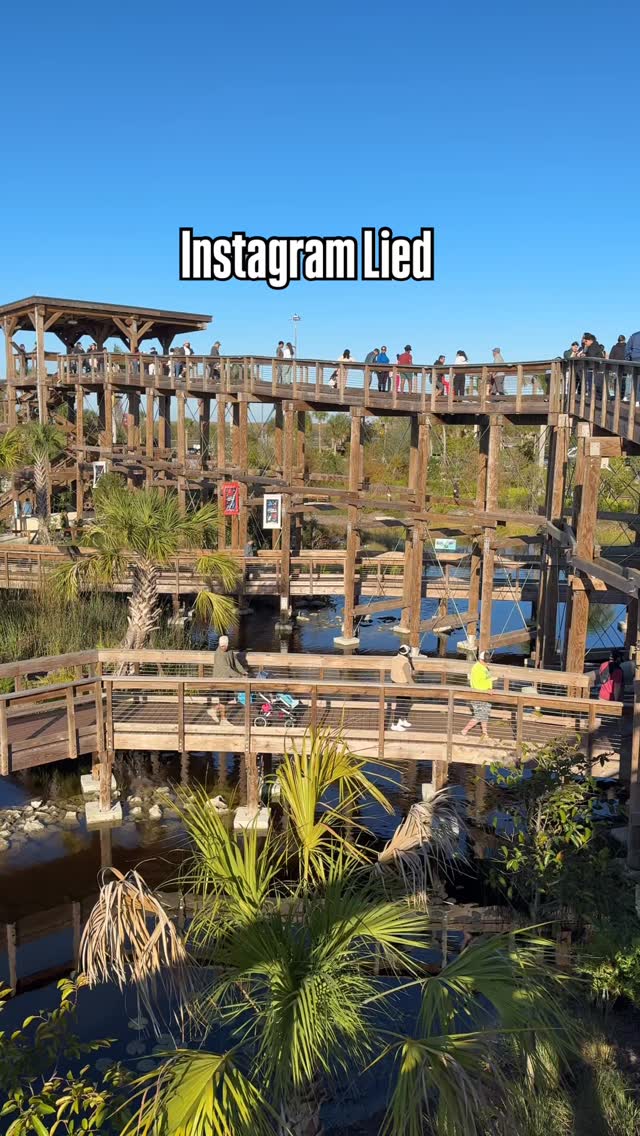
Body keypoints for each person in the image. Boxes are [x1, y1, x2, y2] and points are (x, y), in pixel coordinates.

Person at [461, 651, 493, 739]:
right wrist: (486, 691)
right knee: (479, 715)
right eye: (485, 660)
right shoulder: (476, 668)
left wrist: (490, 689)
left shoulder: (486, 667)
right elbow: (476, 684)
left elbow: (489, 679)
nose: (487, 662)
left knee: (485, 714)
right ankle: (465, 730)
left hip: (486, 695)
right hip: (478, 695)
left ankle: (485, 733)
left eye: (488, 660)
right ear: (480, 659)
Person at [390, 643, 414, 731]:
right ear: (408, 653)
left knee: (402, 703)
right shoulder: (405, 663)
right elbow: (409, 677)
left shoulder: (394, 659)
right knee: (402, 704)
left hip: (394, 683)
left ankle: (401, 720)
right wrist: (416, 687)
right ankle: (394, 724)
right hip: (403, 685)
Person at [608, 335, 627, 400]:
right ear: (624, 340)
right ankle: (622, 396)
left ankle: (616, 395)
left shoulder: (614, 347)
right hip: (625, 367)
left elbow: (611, 357)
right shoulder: (626, 347)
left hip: (615, 368)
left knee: (616, 382)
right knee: (624, 381)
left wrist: (611, 367)